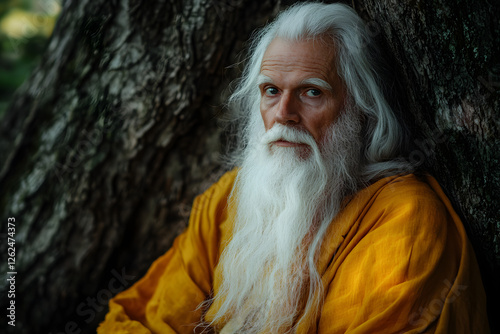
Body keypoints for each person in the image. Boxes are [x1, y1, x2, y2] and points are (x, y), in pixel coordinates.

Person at [98, 2, 489, 333]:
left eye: (312, 92)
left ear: (362, 109)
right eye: (271, 91)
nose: (284, 114)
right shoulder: (228, 200)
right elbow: (137, 320)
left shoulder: (406, 219)